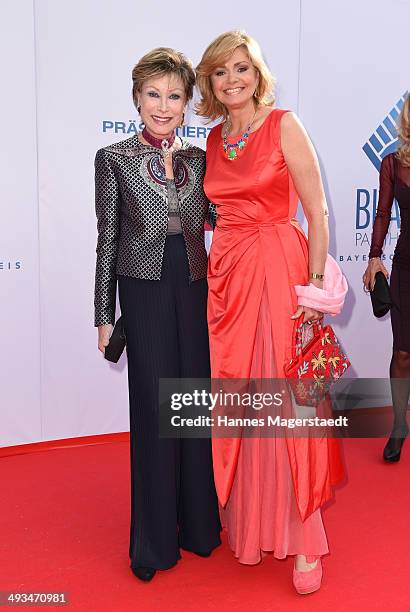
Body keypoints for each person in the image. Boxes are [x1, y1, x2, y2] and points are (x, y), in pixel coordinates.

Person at [196, 31, 346, 595]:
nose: (232, 80)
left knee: (291, 403)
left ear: (257, 73)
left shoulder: (284, 123)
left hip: (281, 271)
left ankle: (307, 538)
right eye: (219, 72)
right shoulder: (212, 140)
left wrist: (312, 294)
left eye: (241, 68)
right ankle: (254, 524)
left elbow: (317, 209)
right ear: (209, 83)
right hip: (230, 279)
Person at [94, 47, 221, 582]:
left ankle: (198, 528)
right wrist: (104, 313)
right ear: (136, 98)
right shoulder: (113, 158)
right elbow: (107, 240)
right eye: (154, 95)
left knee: (192, 402)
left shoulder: (200, 158)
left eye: (174, 96)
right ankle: (152, 542)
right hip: (141, 289)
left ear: (189, 103)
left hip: (194, 284)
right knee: (152, 407)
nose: (164, 106)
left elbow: (223, 216)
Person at [363, 92, 410, 462]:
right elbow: (381, 214)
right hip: (407, 267)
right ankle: (398, 425)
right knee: (404, 352)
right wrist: (374, 257)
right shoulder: (393, 162)